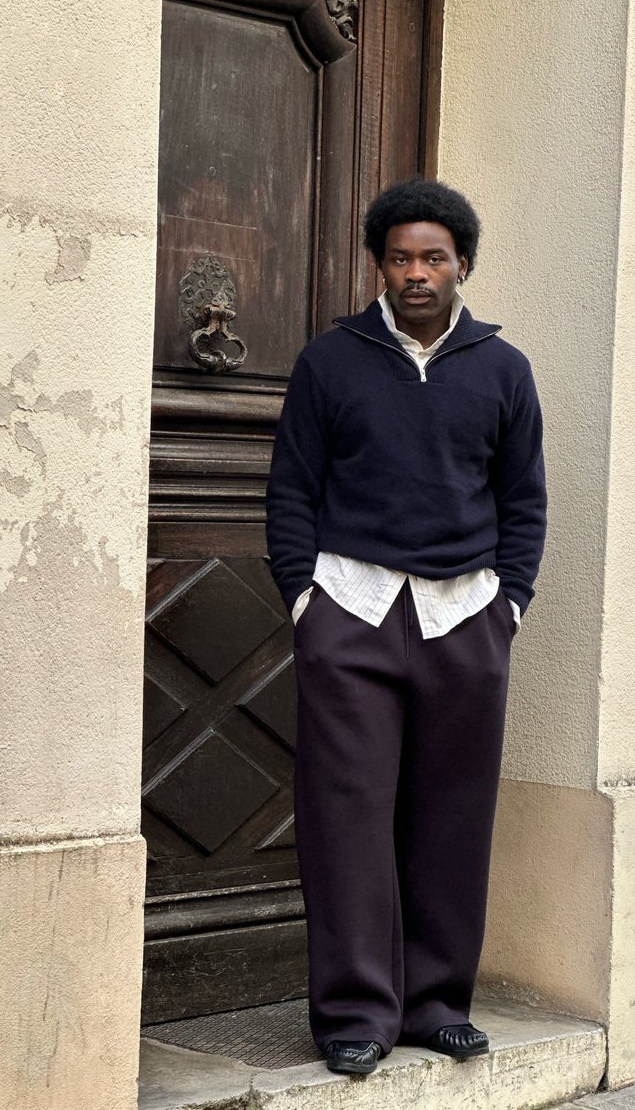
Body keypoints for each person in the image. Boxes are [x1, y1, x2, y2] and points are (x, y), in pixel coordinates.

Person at [266, 178, 547, 1075]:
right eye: (399, 257)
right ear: (379, 266)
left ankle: (435, 1004)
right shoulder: (330, 361)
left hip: (465, 616)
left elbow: (524, 502)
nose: (416, 273)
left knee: (453, 816)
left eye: (433, 257)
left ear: (464, 263)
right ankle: (354, 1012)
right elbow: (291, 493)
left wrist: (509, 605)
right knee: (345, 817)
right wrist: (306, 601)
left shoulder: (504, 371)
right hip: (351, 610)